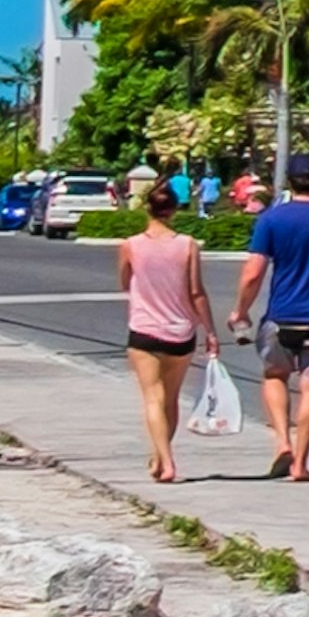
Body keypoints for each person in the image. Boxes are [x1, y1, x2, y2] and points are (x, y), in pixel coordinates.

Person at [225, 154, 309, 481]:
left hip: (281, 318)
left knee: (274, 375)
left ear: (289, 180)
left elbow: (253, 272)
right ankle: (301, 463)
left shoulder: (272, 220)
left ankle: (282, 443)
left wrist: (240, 311)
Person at [116, 185, 215, 483]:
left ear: (147, 208)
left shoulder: (130, 245)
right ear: (174, 210)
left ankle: (167, 462)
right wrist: (209, 330)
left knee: (152, 398)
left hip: (145, 329)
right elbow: (196, 291)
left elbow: (124, 282)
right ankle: (160, 457)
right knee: (170, 399)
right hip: (182, 331)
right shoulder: (188, 245)